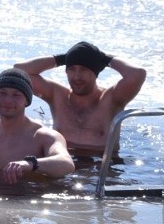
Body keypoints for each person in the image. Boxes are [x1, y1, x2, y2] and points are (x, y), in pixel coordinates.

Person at [14, 41, 147, 154]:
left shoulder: (111, 100)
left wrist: (106, 59)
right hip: (62, 162)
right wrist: (62, 58)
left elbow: (137, 74)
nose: (77, 77)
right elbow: (19, 70)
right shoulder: (57, 95)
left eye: (84, 69)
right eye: (72, 69)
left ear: (95, 72)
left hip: (101, 165)